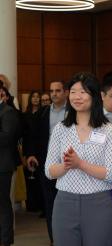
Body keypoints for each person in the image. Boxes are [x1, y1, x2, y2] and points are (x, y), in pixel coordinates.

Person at [45, 72, 112, 246]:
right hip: (64, 203)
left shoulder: (107, 130)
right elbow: (49, 171)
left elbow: (111, 174)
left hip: (98, 204)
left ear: (94, 96)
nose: (77, 97)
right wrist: (67, 165)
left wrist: (80, 164)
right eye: (73, 91)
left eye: (83, 92)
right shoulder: (60, 129)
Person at [25, 80, 67, 245]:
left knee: (66, 204)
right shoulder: (42, 113)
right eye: (51, 91)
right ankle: (54, 239)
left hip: (69, 165)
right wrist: (30, 154)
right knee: (50, 204)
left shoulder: (73, 113)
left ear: (65, 92)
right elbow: (32, 135)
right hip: (47, 164)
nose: (54, 94)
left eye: (58, 90)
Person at [0, 84, 20, 246]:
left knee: (2, 203)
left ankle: (6, 240)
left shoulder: (8, 112)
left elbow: (6, 138)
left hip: (2, 165)